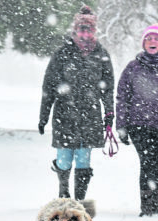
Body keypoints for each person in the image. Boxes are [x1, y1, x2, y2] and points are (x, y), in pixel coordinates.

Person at [38, 5, 114, 202]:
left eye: (89, 29)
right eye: (82, 28)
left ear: (94, 31)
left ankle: (80, 200)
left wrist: (109, 114)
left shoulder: (101, 54)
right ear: (75, 30)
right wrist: (43, 116)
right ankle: (63, 193)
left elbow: (108, 88)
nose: (85, 33)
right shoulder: (63, 53)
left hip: (90, 115)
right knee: (63, 158)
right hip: (65, 114)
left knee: (83, 159)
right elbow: (49, 86)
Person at [116, 24, 158, 217]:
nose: (152, 42)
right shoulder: (132, 67)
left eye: (156, 38)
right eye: (149, 38)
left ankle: (153, 205)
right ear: (143, 43)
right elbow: (122, 97)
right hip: (138, 125)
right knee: (147, 164)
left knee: (156, 164)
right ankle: (147, 207)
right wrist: (121, 125)